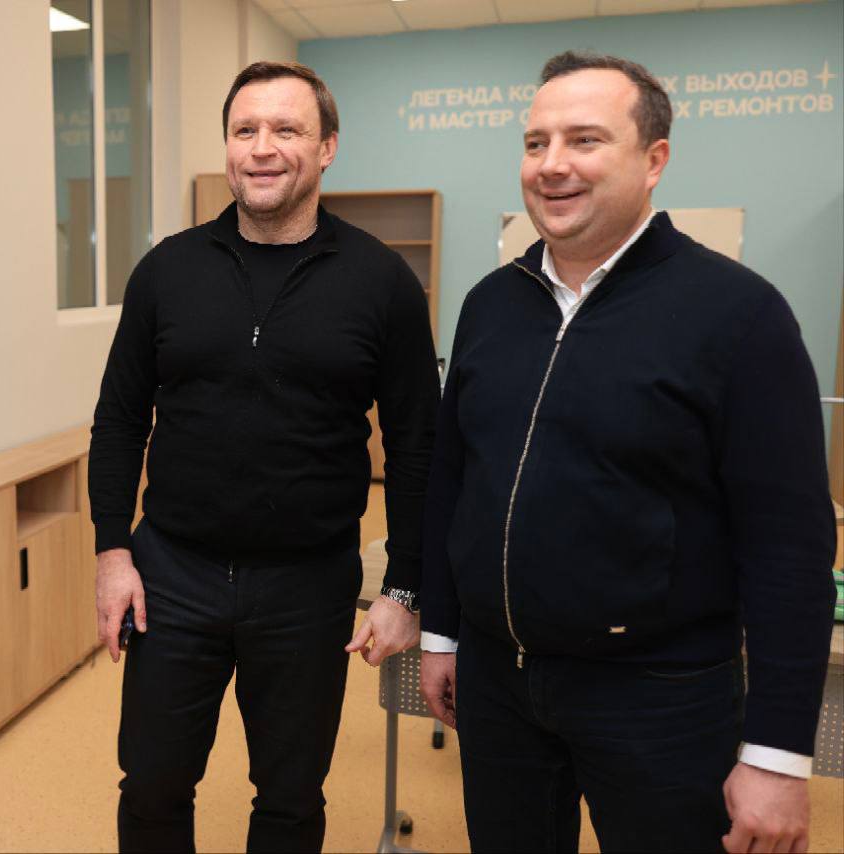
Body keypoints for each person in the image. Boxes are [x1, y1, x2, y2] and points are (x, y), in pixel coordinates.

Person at [419, 51, 837, 854]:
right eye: (536, 143)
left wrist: (778, 754)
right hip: (499, 684)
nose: (552, 165)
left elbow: (788, 548)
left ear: (654, 160)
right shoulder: (491, 304)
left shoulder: (738, 314)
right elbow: (453, 480)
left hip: (661, 695)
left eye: (584, 140)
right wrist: (444, 635)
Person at [89, 60, 440, 853]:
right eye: (244, 129)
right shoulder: (167, 270)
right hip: (173, 574)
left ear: (327, 148)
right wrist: (113, 550)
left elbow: (418, 443)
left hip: (308, 584)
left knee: (289, 798)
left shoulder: (382, 282)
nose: (262, 147)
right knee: (151, 786)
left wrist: (405, 586)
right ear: (227, 146)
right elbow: (118, 420)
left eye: (286, 129)